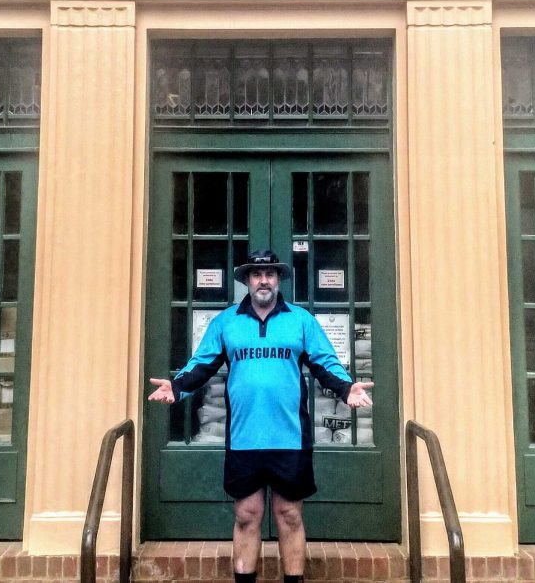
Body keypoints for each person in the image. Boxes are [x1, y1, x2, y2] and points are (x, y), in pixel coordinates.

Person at [149, 249, 373, 583]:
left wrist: (346, 388)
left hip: (290, 437)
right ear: (247, 281)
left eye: (269, 274)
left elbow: (325, 362)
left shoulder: (301, 320)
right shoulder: (226, 322)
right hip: (244, 437)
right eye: (256, 274)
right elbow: (202, 364)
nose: (263, 280)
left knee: (290, 515)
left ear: (279, 280)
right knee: (246, 515)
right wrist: (177, 387)